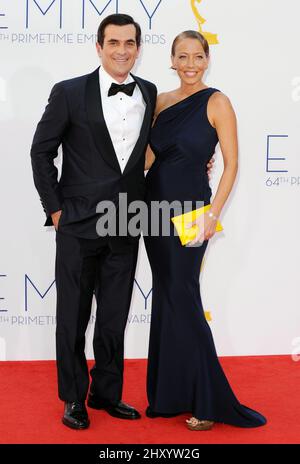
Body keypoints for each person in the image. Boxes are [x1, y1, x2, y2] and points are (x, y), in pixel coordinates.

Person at [30, 14, 159, 430]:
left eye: (130, 43)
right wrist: (56, 209)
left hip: (127, 220)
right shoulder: (69, 92)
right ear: (99, 46)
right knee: (73, 315)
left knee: (114, 316)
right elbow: (40, 151)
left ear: (139, 48)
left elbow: (148, 151)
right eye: (114, 42)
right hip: (79, 223)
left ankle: (106, 393)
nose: (122, 50)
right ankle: (73, 398)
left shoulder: (150, 92)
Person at [143, 30, 267, 431]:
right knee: (166, 295)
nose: (191, 64)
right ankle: (169, 394)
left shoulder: (218, 102)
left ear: (208, 59)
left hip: (192, 212)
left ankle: (208, 399)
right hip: (152, 210)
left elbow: (230, 164)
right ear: (172, 60)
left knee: (183, 295)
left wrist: (213, 213)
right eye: (183, 56)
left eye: (198, 56)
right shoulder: (160, 102)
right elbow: (146, 160)